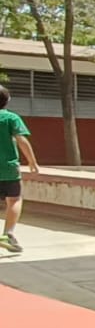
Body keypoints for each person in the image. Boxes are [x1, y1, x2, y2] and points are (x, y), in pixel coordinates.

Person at [0, 85, 41, 254]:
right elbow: (21, 140)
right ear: (7, 100)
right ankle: (7, 234)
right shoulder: (11, 118)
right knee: (14, 199)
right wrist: (32, 162)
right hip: (8, 167)